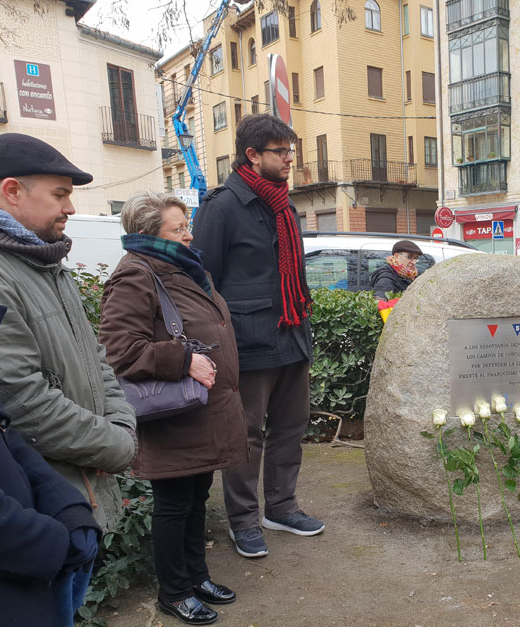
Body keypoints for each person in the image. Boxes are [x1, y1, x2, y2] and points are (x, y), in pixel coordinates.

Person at [0, 133, 137, 535]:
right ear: (12, 191)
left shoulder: (44, 260)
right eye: (60, 194)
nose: (70, 207)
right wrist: (117, 445)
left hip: (78, 490)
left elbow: (95, 358)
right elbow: (20, 398)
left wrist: (119, 424)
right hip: (47, 506)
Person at [99, 191, 249, 624]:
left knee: (197, 497)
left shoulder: (183, 269)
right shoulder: (136, 275)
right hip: (174, 416)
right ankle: (174, 591)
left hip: (203, 412)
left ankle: (196, 577)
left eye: (187, 226)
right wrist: (182, 359)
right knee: (173, 503)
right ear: (148, 234)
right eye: (178, 228)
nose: (189, 234)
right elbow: (117, 350)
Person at [192, 114, 323, 559]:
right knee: (245, 435)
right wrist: (217, 341)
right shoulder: (223, 205)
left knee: (290, 427)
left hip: (291, 334)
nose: (290, 160)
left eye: (291, 151)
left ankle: (282, 507)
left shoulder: (283, 205)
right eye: (280, 152)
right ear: (252, 155)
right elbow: (202, 280)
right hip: (247, 343)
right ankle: (244, 520)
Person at [0, 259, 100, 626]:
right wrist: (55, 543)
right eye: (59, 195)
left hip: (26, 580)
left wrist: (69, 509)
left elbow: (2, 431)